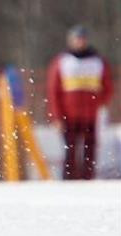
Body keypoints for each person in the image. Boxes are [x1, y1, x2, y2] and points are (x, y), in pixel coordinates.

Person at [47, 25, 113, 180]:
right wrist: (56, 116)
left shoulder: (98, 61)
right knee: (69, 150)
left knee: (90, 149)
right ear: (71, 41)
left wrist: (99, 104)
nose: (80, 42)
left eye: (82, 39)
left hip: (91, 115)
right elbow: (53, 90)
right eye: (77, 39)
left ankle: (87, 179)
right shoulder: (62, 62)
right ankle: (69, 182)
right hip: (68, 115)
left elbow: (108, 87)